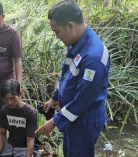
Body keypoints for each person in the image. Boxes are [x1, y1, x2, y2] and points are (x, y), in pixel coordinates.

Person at [35, 1, 110, 157]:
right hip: (72, 114)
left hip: (85, 118)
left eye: (57, 32)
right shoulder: (76, 43)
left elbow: (82, 100)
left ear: (70, 25)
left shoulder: (93, 58)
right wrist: (54, 97)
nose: (57, 37)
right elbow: (66, 73)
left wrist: (55, 121)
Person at [0, 79, 38, 157]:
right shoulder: (5, 110)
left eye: (13, 98)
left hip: (24, 148)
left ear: (20, 94)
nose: (9, 102)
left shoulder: (30, 112)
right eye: (6, 99)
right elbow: (2, 134)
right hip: (9, 146)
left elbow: (30, 141)